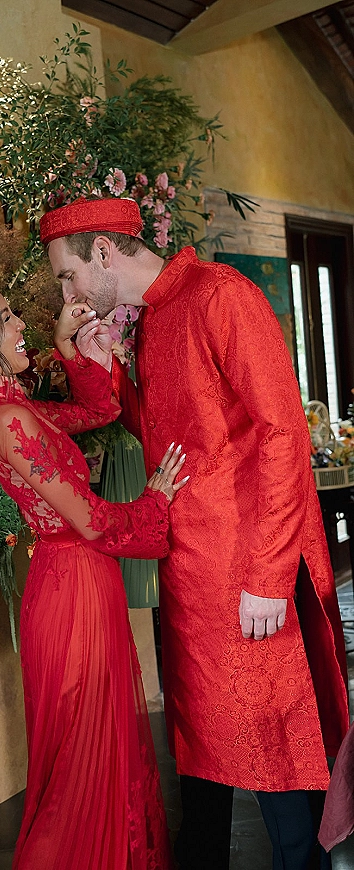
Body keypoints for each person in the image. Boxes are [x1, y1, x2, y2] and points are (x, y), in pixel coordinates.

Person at [39, 197, 350, 870]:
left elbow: (282, 435)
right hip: (190, 574)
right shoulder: (151, 322)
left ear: (102, 251)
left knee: (278, 763)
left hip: (246, 575)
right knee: (203, 754)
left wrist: (269, 578)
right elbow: (155, 434)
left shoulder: (222, 295)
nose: (66, 293)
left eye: (66, 276)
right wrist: (101, 363)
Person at [0, 241, 189, 870]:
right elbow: (90, 518)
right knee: (79, 771)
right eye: (7, 317)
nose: (21, 324)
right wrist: (154, 503)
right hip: (71, 593)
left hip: (80, 584)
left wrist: (70, 350)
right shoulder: (7, 420)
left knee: (100, 759)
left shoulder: (12, 409)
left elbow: (101, 409)